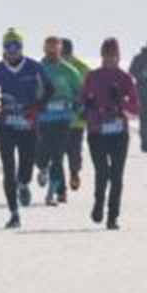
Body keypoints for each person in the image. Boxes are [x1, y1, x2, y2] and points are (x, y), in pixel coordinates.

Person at [0, 28, 49, 227]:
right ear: (4, 48)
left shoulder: (34, 68)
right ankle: (14, 213)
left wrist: (36, 107)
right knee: (8, 169)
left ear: (21, 48)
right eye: (8, 46)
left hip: (29, 126)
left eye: (16, 46)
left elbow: (50, 89)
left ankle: (23, 184)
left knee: (26, 167)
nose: (12, 50)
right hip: (7, 127)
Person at [77, 38, 140, 228]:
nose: (109, 59)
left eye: (112, 56)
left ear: (118, 57)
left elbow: (136, 107)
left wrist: (120, 103)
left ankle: (113, 216)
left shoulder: (125, 78)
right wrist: (87, 105)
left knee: (116, 175)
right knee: (102, 172)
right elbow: (81, 101)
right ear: (101, 56)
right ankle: (98, 205)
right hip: (97, 131)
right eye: (106, 55)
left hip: (119, 133)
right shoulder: (92, 77)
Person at [35, 36, 80, 205]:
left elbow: (80, 91)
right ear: (45, 50)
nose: (52, 54)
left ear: (60, 51)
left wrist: (77, 106)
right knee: (41, 154)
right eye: (49, 50)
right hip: (43, 119)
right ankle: (42, 168)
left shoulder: (69, 70)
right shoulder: (38, 69)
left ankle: (54, 193)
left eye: (55, 50)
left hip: (63, 119)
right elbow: (30, 90)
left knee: (58, 155)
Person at [60, 37, 91, 195]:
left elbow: (91, 91)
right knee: (56, 154)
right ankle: (60, 189)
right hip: (56, 119)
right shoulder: (52, 67)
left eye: (65, 54)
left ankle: (74, 173)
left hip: (77, 120)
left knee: (74, 152)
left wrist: (87, 109)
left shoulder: (82, 68)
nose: (63, 57)